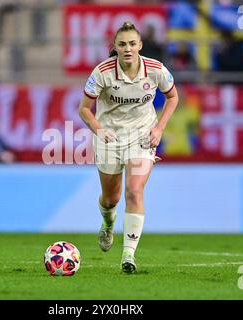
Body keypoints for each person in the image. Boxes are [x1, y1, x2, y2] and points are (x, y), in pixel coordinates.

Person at [78, 21, 179, 273]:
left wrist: (159, 129)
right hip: (109, 137)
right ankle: (108, 224)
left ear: (140, 46)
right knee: (111, 199)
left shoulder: (156, 69)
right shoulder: (102, 72)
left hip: (141, 137)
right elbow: (83, 109)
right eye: (122, 44)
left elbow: (173, 97)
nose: (127, 48)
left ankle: (128, 256)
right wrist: (99, 130)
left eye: (132, 43)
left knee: (134, 190)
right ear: (114, 47)